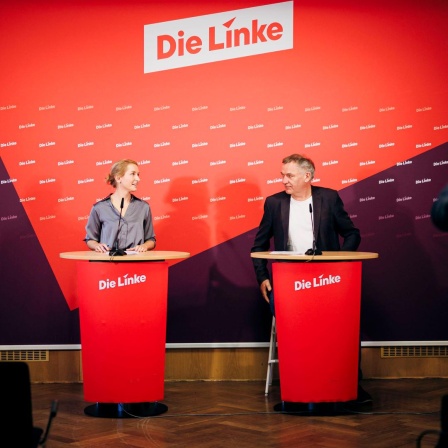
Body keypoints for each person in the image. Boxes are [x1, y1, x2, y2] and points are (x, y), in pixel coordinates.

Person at [251, 153, 371, 404]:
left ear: (307, 176)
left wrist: (340, 262)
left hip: (330, 280)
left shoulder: (328, 198)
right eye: (282, 175)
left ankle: (350, 384)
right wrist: (262, 277)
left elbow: (352, 234)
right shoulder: (274, 203)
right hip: (288, 282)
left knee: (344, 324)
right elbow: (259, 245)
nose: (283, 180)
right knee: (293, 324)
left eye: (289, 175)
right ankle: (299, 384)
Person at [84, 159, 156, 254]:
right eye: (132, 174)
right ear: (118, 178)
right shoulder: (99, 208)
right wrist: (97, 246)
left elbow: (151, 239)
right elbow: (90, 239)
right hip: (108, 264)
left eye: (138, 175)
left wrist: (144, 246)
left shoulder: (143, 207)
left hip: (137, 262)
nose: (138, 179)